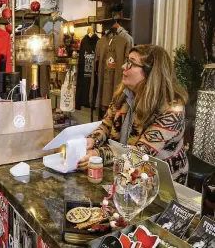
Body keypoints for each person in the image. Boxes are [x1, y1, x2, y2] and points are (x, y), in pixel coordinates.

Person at [78, 45, 189, 184]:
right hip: (125, 176)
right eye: (126, 61)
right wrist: (92, 140)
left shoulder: (172, 109)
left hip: (160, 185)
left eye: (131, 63)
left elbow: (141, 152)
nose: (123, 66)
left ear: (151, 72)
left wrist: (99, 154)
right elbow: (106, 125)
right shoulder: (123, 95)